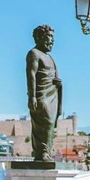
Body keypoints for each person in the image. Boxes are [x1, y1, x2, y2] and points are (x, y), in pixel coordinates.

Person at [26, 24, 61, 162]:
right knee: (44, 123)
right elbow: (31, 75)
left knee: (51, 124)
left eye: (53, 37)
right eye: (49, 37)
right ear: (40, 37)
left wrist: (59, 82)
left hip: (53, 95)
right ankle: (41, 153)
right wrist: (32, 96)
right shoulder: (34, 54)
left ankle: (46, 152)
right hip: (41, 94)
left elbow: (55, 77)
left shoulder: (50, 58)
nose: (52, 40)